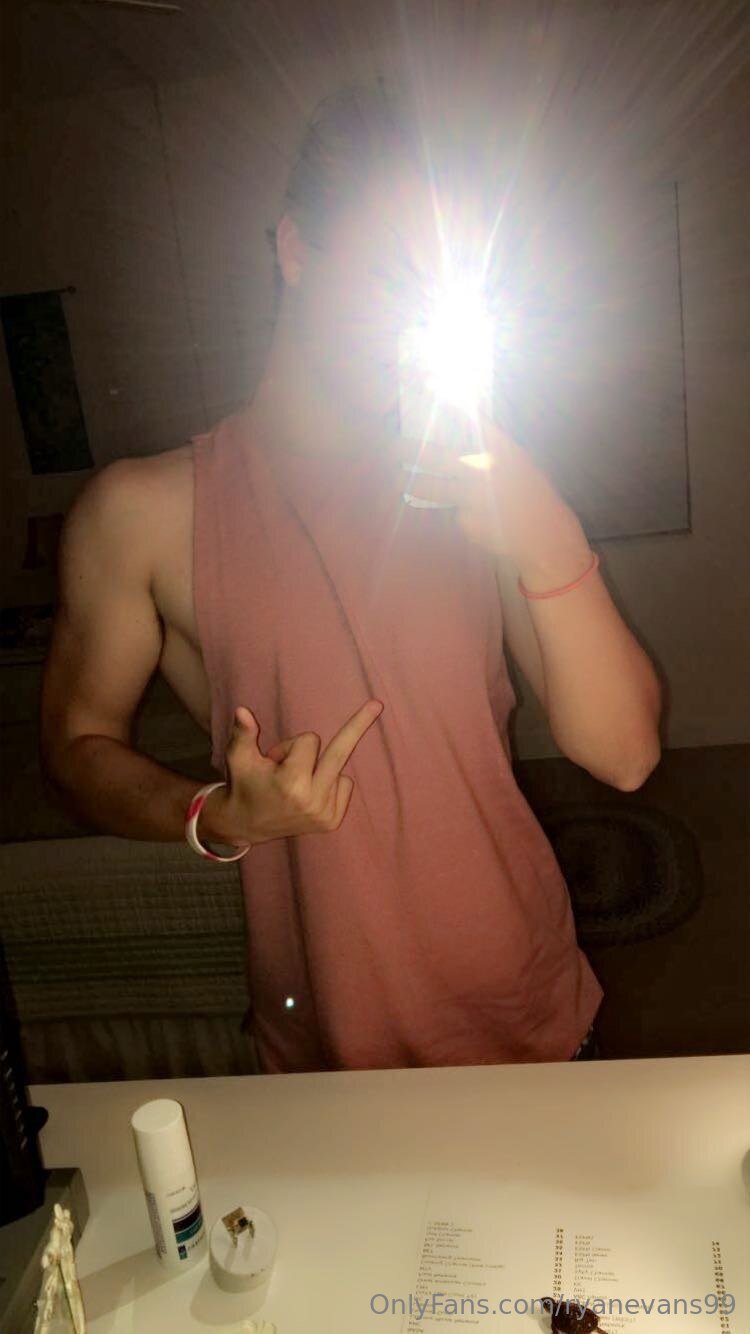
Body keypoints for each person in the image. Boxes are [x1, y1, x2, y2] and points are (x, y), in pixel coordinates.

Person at [39, 84, 662, 1074]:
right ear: (297, 249)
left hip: (531, 1010)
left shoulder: (478, 477)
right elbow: (75, 749)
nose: (408, 319)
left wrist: (548, 535)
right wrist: (213, 815)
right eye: (392, 272)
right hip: (324, 1041)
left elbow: (624, 755)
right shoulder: (145, 512)